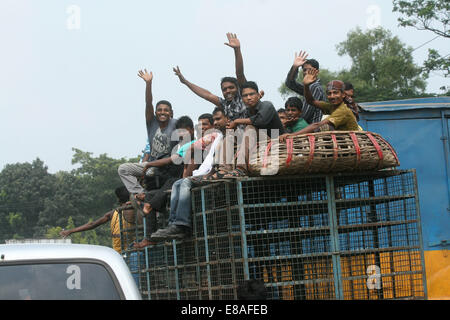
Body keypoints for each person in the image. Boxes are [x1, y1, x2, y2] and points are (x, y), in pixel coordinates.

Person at [149, 108, 229, 242]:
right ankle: (173, 223)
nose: (215, 123)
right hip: (203, 172)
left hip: (214, 173)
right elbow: (193, 147)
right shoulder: (215, 136)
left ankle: (182, 224)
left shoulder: (223, 135)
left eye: (218, 120)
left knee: (185, 182)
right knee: (177, 184)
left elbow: (193, 148)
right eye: (214, 120)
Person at [118, 69, 178, 196]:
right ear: (155, 113)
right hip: (150, 163)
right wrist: (148, 84)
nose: (162, 112)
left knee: (152, 173)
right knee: (123, 169)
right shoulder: (152, 123)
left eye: (166, 110)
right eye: (160, 110)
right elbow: (148, 103)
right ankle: (140, 193)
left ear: (171, 113)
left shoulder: (176, 124)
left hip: (167, 164)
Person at [211, 81, 285, 178]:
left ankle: (241, 169)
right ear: (242, 99)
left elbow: (260, 121)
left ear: (258, 95)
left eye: (252, 94)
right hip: (257, 144)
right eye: (245, 96)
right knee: (231, 134)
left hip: (274, 142)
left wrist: (237, 121)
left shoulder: (267, 105)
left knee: (250, 128)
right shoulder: (246, 112)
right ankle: (223, 169)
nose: (249, 98)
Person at [280, 69, 359, 142]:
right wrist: (306, 86)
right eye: (329, 93)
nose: (332, 96)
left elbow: (317, 125)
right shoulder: (331, 106)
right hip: (342, 140)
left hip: (349, 141)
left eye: (335, 93)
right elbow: (311, 101)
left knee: (325, 127)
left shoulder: (343, 110)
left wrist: (291, 135)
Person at [59, 186, 139, 254]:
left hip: (129, 252)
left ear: (118, 199)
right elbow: (92, 224)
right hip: (120, 253)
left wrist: (71, 231)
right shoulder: (115, 212)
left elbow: (92, 224)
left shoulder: (127, 211)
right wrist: (71, 231)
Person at [285, 50, 326, 124]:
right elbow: (290, 84)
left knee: (278, 129)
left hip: (311, 129)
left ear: (317, 72)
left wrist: (291, 122)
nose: (306, 72)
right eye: (304, 70)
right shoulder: (308, 87)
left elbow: (306, 114)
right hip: (305, 126)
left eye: (310, 70)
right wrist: (295, 67)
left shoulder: (315, 87)